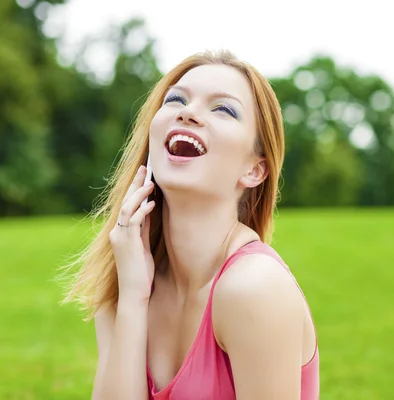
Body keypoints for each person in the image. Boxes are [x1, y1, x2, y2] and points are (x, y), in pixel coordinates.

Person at [63, 49, 319, 400]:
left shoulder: (254, 288)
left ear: (254, 170)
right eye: (175, 100)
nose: (188, 112)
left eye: (223, 109)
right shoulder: (124, 277)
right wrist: (134, 296)